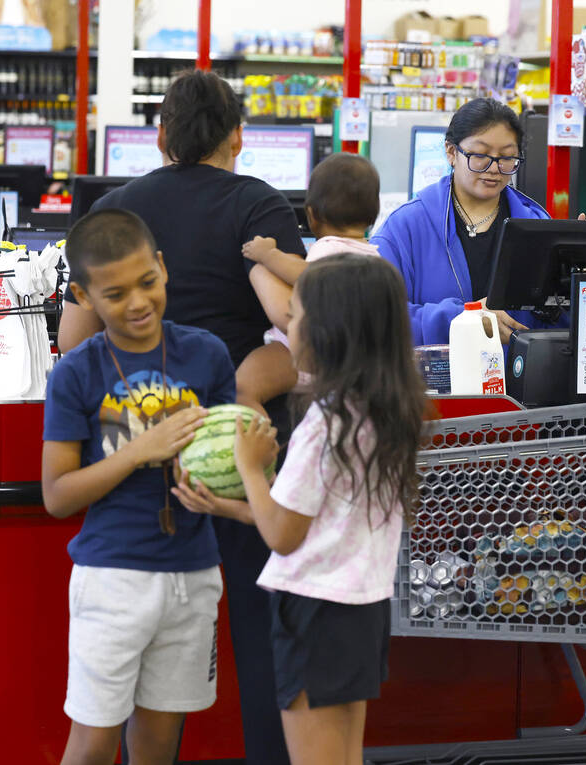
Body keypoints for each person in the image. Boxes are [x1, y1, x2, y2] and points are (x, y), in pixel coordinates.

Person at [56, 69, 301, 765]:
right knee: (256, 637)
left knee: (132, 675)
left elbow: (73, 340)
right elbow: (306, 334)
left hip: (140, 455)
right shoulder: (259, 205)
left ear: (159, 137)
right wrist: (249, 382)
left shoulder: (118, 209)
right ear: (238, 138)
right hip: (237, 455)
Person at [174, 254, 427, 765]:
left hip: (313, 615)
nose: (287, 329)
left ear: (330, 333)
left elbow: (284, 537)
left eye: (295, 317)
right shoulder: (380, 414)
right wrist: (228, 506)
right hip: (360, 611)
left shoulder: (323, 425)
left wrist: (248, 466)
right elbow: (317, 524)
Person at [42, 209, 234, 765]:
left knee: (157, 740)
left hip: (193, 573)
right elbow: (57, 495)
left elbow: (229, 458)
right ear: (83, 294)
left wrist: (251, 460)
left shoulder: (206, 353)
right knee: (95, 739)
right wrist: (139, 452)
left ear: (163, 267)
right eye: (116, 292)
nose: (138, 303)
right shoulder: (77, 373)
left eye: (147, 282)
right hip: (112, 579)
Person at [371, 97, 569, 347]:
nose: (494, 168)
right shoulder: (406, 227)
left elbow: (558, 330)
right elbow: (375, 314)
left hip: (517, 383)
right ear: (451, 152)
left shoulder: (537, 225)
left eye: (507, 157)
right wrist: (463, 319)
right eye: (480, 155)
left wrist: (578, 274)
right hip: (435, 383)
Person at [237, 152, 383, 413]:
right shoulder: (374, 256)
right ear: (373, 216)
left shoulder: (329, 247)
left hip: (297, 355)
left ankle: (259, 445)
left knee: (244, 389)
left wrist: (268, 255)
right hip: (347, 366)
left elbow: (311, 276)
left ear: (311, 215)